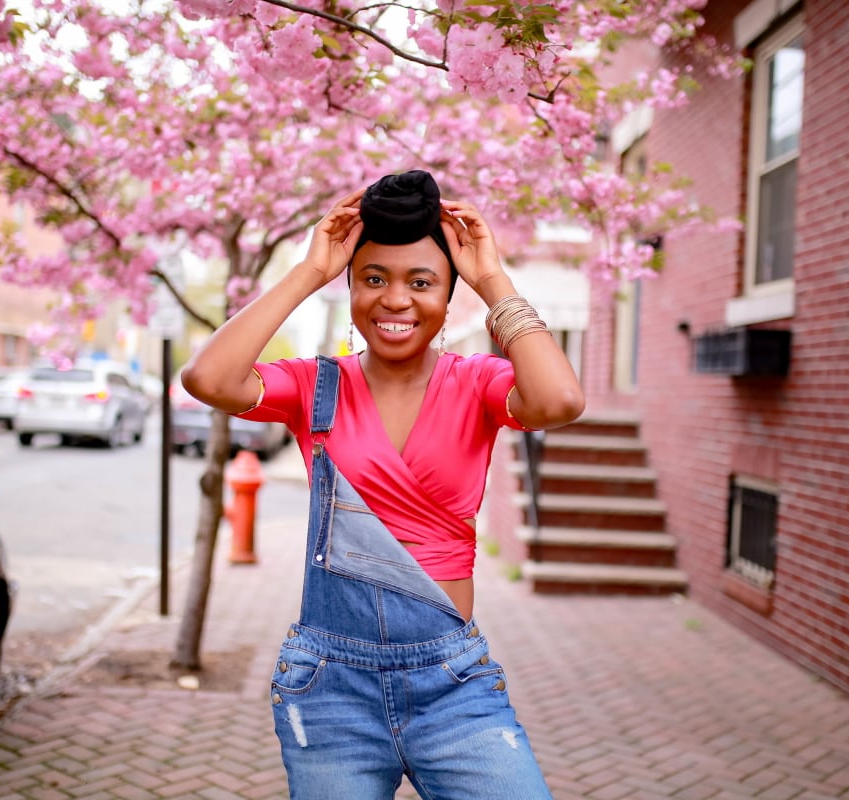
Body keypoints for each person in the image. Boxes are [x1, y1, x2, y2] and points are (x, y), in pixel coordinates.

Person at [181, 169, 585, 799]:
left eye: (421, 282)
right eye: (374, 279)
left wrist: (491, 278)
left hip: (452, 688)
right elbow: (208, 378)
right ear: (351, 291)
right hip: (330, 690)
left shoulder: (477, 384)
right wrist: (310, 271)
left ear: (448, 297)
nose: (395, 299)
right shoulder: (313, 388)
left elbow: (559, 398)